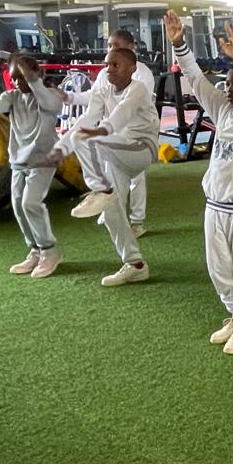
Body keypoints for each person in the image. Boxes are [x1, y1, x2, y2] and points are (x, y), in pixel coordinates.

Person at [164, 14, 233, 354]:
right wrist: (179, 44)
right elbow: (196, 79)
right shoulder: (223, 110)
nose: (229, 89)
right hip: (215, 205)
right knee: (219, 270)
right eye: (228, 84)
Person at [46, 48, 159, 286]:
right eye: (107, 65)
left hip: (141, 148)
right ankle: (136, 265)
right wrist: (61, 149)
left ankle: (101, 190)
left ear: (132, 69)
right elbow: (86, 118)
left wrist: (100, 131)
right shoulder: (102, 89)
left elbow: (121, 115)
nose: (109, 69)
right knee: (110, 213)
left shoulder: (138, 89)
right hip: (118, 151)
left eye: (115, 65)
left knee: (88, 138)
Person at [65, 29, 155, 238]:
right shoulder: (106, 72)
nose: (111, 49)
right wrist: (68, 97)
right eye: (109, 46)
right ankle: (112, 211)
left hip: (136, 137)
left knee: (136, 178)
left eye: (116, 46)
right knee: (113, 176)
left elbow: (130, 106)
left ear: (130, 48)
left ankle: (137, 221)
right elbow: (93, 97)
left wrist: (104, 128)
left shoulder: (142, 75)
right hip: (114, 135)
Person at [0, 55, 64, 278]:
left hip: (44, 160)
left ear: (38, 75)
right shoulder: (13, 97)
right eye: (14, 78)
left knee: (31, 203)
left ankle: (50, 252)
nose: (18, 82)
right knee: (18, 205)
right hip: (19, 161)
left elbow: (52, 105)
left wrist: (33, 79)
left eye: (22, 77)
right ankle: (36, 250)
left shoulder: (50, 95)